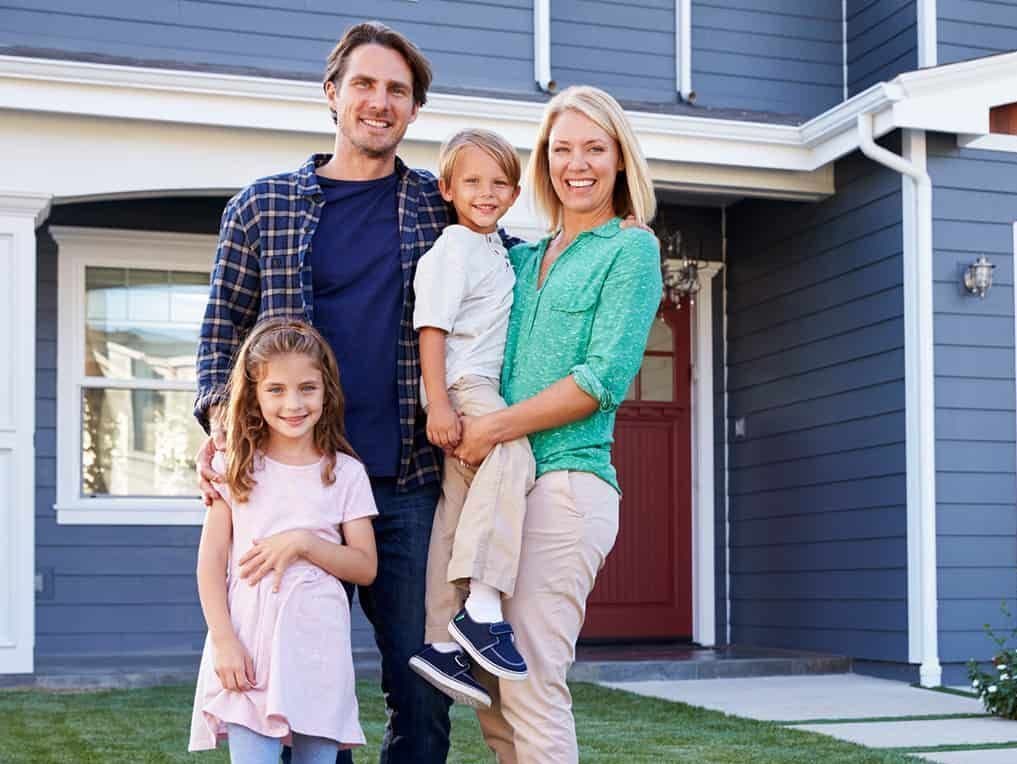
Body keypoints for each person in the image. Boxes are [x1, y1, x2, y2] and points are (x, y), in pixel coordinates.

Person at [193, 22, 469, 762]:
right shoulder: (261, 207)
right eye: (365, 85)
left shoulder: (437, 210)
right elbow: (220, 344)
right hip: (292, 484)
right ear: (332, 95)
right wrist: (220, 432)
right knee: (298, 688)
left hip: (406, 484)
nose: (379, 102)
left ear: (413, 110)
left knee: (420, 691)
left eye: (397, 91)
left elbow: (518, 271)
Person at [449, 86, 663, 763]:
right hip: (503, 489)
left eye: (594, 148)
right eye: (561, 149)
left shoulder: (628, 251)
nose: (577, 164)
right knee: (489, 679)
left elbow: (599, 379)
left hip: (567, 483)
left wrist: (494, 429)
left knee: (533, 680)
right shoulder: (515, 257)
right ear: (542, 161)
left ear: (619, 160)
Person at [188, 319, 378, 763]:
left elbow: (365, 566)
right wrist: (223, 640)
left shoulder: (346, 473)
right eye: (276, 389)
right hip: (249, 650)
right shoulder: (238, 469)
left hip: (318, 653)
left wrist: (302, 543)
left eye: (307, 388)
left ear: (326, 391)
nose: (293, 403)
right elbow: (211, 563)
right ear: (253, 394)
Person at [406, 129, 535, 709]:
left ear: (513, 192)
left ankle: (439, 639)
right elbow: (430, 327)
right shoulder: (454, 246)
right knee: (513, 452)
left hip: (471, 388)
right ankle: (483, 605)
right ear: (448, 188)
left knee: (455, 508)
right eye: (473, 182)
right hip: (465, 385)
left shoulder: (495, 248)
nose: (487, 193)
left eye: (500, 183)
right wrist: (439, 401)